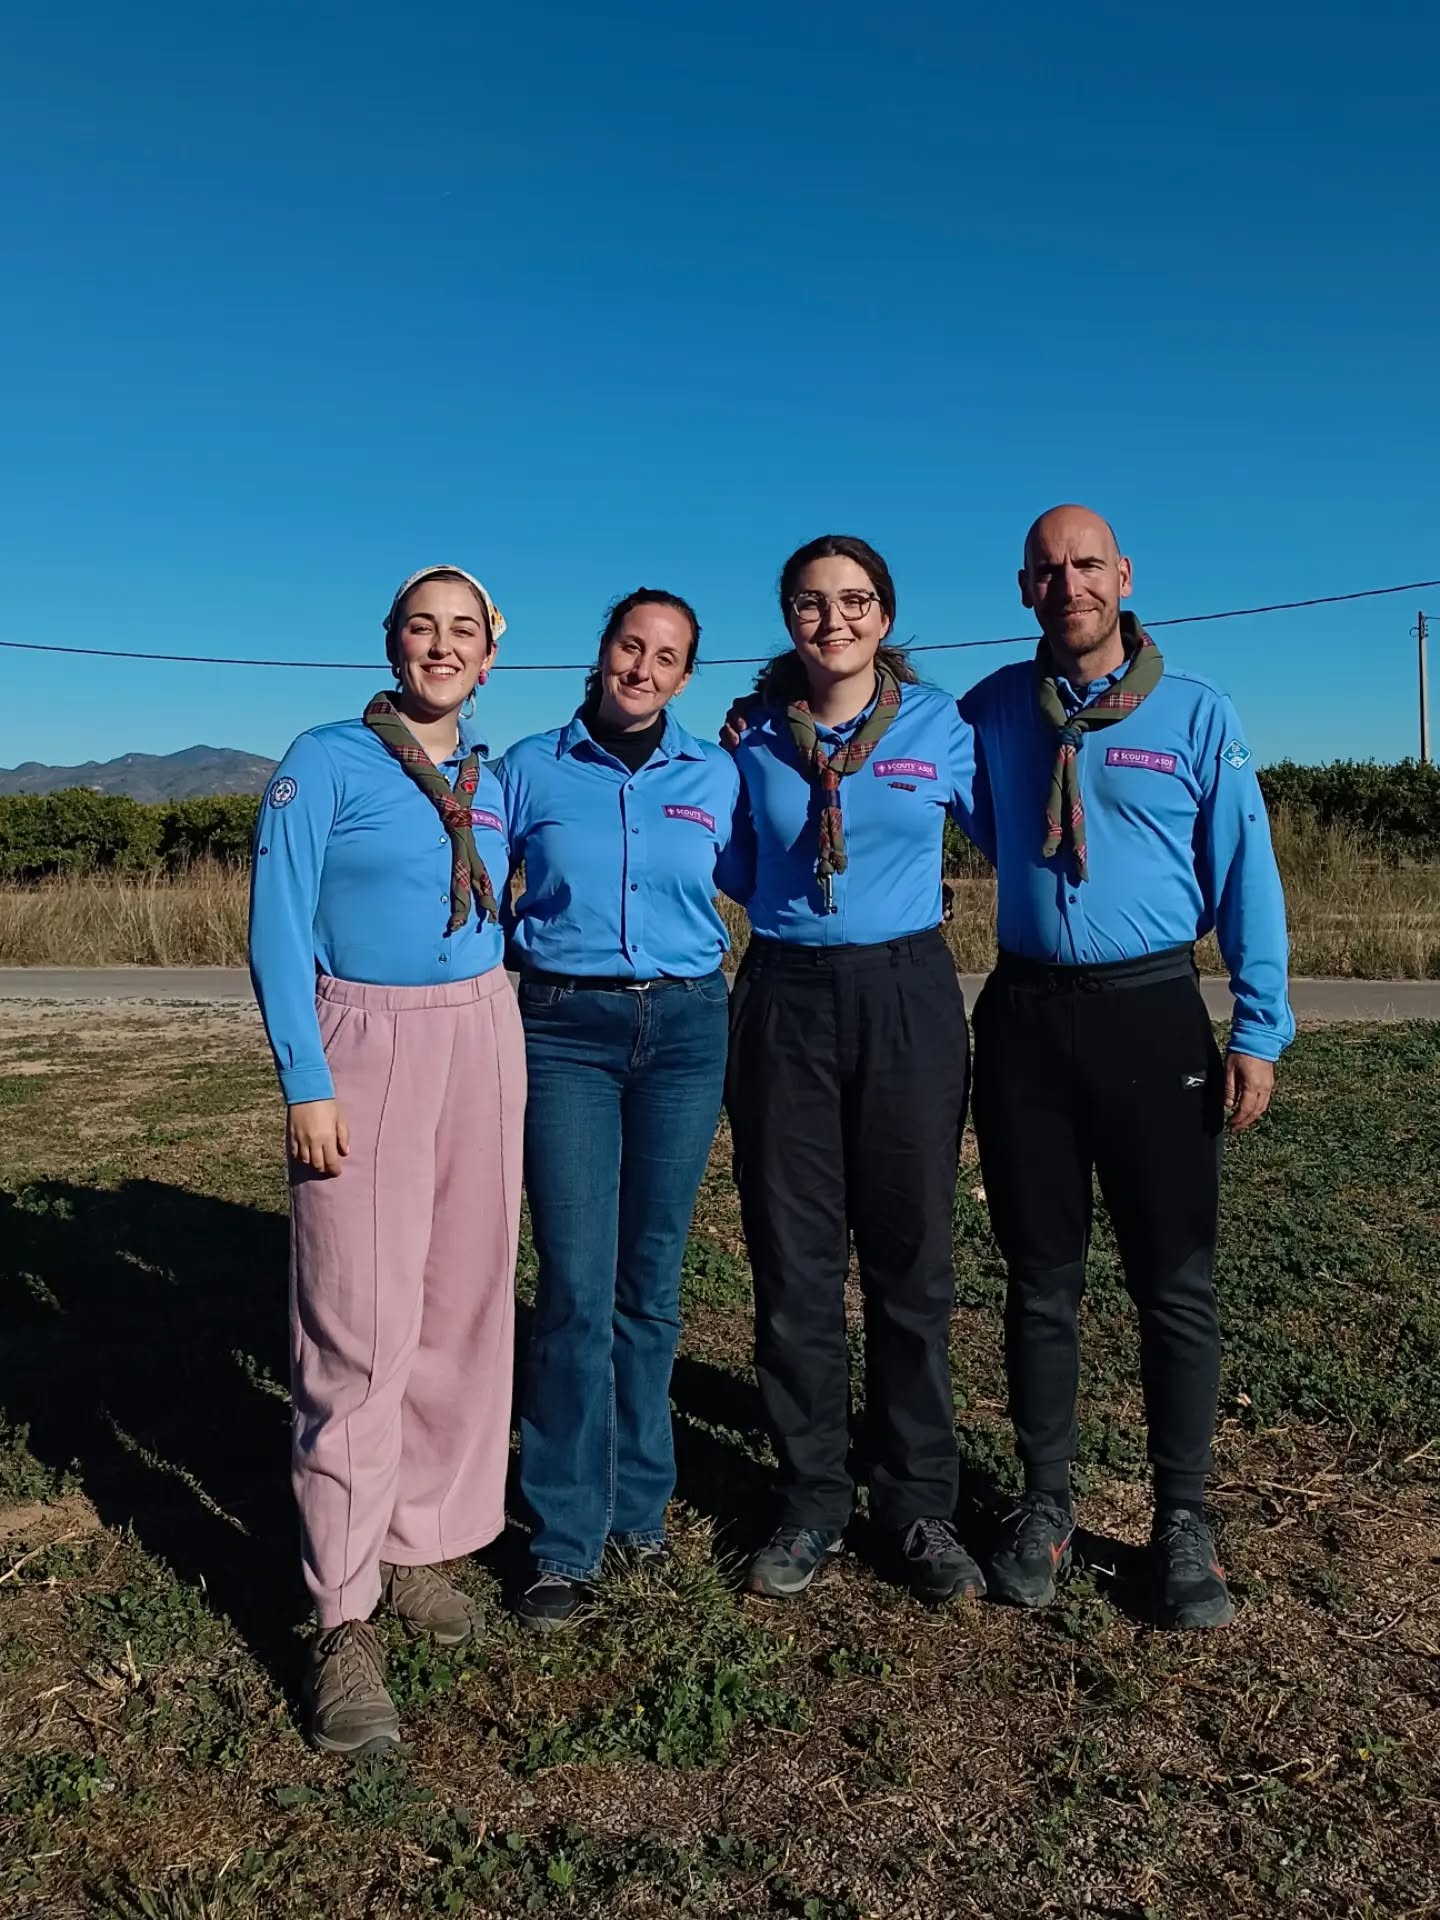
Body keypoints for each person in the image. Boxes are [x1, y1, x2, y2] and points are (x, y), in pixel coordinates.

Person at [962, 504, 1293, 1628]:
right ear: (1024, 590)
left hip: (1152, 1016)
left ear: (1124, 576)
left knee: (1175, 1281)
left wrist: (1259, 1023)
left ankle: (1183, 1519)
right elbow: (892, 757)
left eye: (1088, 565)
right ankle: (1045, 1504)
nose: (1070, 586)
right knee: (1040, 1281)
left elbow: (1247, 870)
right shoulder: (994, 710)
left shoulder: (1197, 713)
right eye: (1049, 571)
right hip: (1024, 1021)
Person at [248, 565, 524, 1751]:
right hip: (363, 1041)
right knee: (356, 1331)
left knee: (460, 1312)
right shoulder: (325, 759)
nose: (442, 646)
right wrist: (307, 1077)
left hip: (482, 1031)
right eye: (424, 627)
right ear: (391, 642)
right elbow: (274, 919)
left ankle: (416, 1540)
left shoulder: (491, 778)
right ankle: (341, 1612)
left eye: (465, 631)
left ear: (490, 655)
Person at [719, 534, 990, 1605]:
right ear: (790, 617)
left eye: (855, 601)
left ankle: (920, 1503)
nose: (833, 619)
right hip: (786, 995)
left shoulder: (940, 727)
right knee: (793, 1261)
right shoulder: (750, 742)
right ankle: (812, 1498)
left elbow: (1013, 827)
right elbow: (734, 866)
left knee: (912, 1257)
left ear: (885, 616)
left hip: (907, 994)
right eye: (811, 603)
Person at [496, 589, 739, 1630]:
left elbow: (769, 880)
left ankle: (641, 1507)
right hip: (563, 1031)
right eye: (629, 646)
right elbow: (463, 883)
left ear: (686, 678)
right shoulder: (527, 768)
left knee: (652, 1281)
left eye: (667, 656)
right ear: (600, 654)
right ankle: (562, 1536)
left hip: (686, 1032)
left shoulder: (714, 774)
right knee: (574, 1286)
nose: (643, 667)